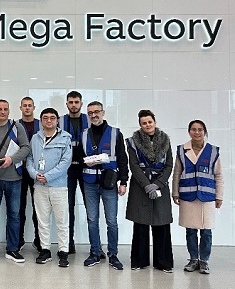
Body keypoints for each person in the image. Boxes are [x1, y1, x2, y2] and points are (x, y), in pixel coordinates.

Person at [0, 99, 30, 263]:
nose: (2, 112)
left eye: (5, 109)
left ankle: (12, 249)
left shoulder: (17, 127)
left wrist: (12, 159)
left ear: (9, 111)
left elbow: (26, 147)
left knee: (14, 215)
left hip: (14, 178)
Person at [172, 120, 224, 275]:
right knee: (190, 230)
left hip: (207, 196)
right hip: (188, 196)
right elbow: (176, 173)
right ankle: (193, 259)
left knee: (206, 231)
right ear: (189, 132)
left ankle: (204, 261)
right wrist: (175, 193)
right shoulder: (182, 150)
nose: (197, 132)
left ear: (205, 132)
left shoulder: (212, 151)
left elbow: (218, 175)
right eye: (193, 129)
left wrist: (219, 196)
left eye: (200, 129)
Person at [81, 101, 128, 270]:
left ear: (103, 112)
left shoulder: (115, 133)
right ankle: (95, 252)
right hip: (89, 182)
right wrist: (85, 162)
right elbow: (78, 157)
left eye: (96, 112)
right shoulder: (84, 134)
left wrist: (124, 182)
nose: (94, 115)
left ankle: (113, 255)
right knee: (92, 220)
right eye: (90, 113)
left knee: (111, 221)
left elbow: (122, 158)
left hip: (109, 183)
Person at [125, 109, 174, 272]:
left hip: (160, 186)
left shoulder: (165, 140)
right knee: (141, 223)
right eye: (144, 123)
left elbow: (169, 165)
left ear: (155, 122)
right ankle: (139, 261)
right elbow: (134, 166)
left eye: (149, 122)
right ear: (140, 125)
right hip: (140, 186)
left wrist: (158, 184)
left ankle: (163, 262)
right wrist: (147, 185)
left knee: (162, 223)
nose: (147, 125)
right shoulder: (133, 142)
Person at [26, 108, 73, 267]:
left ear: (57, 120)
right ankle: (45, 250)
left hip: (58, 186)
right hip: (39, 186)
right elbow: (30, 158)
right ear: (41, 121)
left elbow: (65, 162)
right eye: (45, 118)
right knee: (42, 220)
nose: (49, 120)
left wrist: (48, 176)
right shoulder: (35, 138)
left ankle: (63, 251)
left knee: (62, 221)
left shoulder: (65, 138)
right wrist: (34, 174)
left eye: (52, 118)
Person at [62, 90, 88, 254]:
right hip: (67, 170)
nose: (73, 105)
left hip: (87, 169)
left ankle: (96, 246)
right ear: (67, 104)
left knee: (91, 209)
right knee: (67, 208)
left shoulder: (89, 120)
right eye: (71, 102)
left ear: (81, 103)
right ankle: (68, 243)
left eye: (76, 102)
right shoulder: (60, 121)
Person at [17, 96, 41, 251]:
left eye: (29, 105)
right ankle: (18, 241)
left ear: (33, 107)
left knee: (38, 208)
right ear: (20, 108)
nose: (27, 108)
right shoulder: (15, 125)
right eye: (24, 105)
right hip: (19, 171)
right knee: (18, 208)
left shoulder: (41, 124)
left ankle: (39, 241)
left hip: (37, 171)